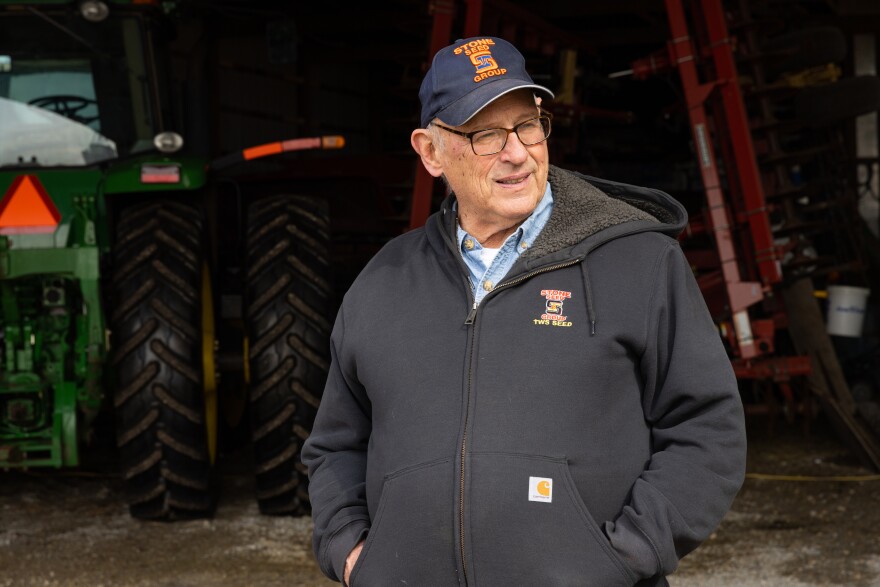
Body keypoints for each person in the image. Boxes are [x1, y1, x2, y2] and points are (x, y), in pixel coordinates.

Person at [302, 35, 747, 587]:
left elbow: (708, 429)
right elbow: (335, 444)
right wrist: (352, 552)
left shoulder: (640, 263)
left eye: (527, 125)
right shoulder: (383, 282)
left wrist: (625, 555)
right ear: (430, 151)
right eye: (485, 135)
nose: (516, 152)